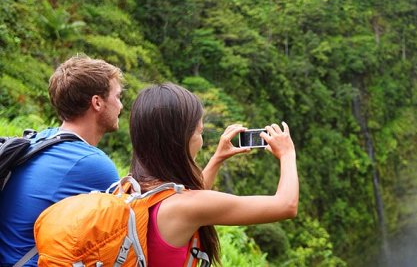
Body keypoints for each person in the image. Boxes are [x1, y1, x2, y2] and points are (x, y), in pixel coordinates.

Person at [129, 83, 298, 266]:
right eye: (199, 132)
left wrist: (217, 158)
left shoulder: (133, 187)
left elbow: (193, 197)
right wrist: (287, 154)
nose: (201, 141)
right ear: (179, 140)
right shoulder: (185, 207)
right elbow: (286, 205)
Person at [0, 55, 123, 266]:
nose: (121, 106)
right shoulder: (93, 164)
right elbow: (135, 224)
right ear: (97, 102)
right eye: (118, 97)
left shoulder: (40, 138)